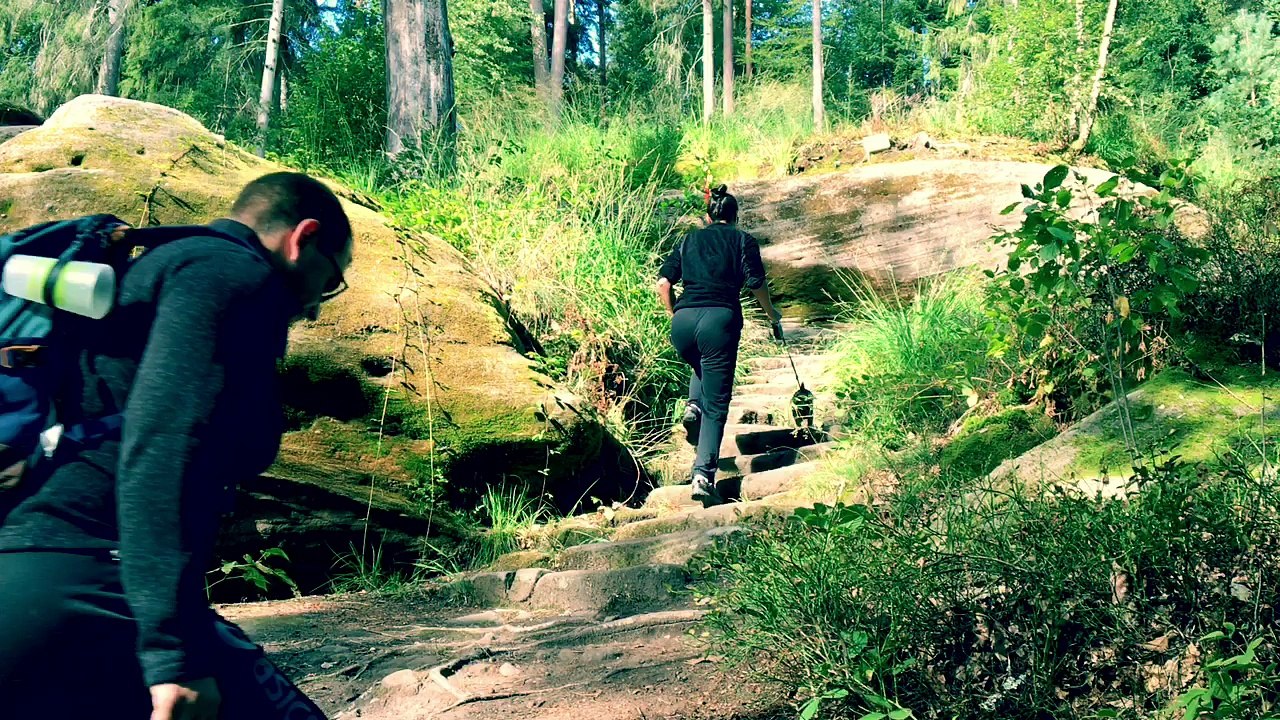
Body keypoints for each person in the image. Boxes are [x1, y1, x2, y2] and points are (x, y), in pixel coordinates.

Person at [0, 171, 353, 720]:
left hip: (33, 570)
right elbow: (163, 447)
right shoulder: (233, 274)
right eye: (330, 280)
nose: (314, 306)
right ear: (302, 237)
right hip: (88, 580)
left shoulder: (159, 265)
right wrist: (174, 656)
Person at [657, 184, 783, 507]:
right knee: (717, 405)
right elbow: (756, 284)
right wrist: (773, 316)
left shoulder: (688, 240)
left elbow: (663, 283)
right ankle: (702, 475)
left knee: (701, 363)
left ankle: (692, 405)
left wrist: (674, 313)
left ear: (708, 215)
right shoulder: (743, 240)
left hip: (682, 324)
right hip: (719, 322)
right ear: (735, 216)